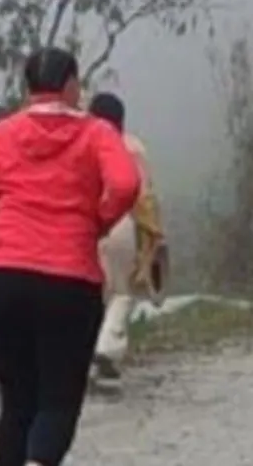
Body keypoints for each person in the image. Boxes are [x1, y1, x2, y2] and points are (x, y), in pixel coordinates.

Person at [0, 48, 142, 466]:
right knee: (57, 400)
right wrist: (98, 220)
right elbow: (126, 182)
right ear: (71, 85)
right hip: (69, 279)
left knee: (17, 401)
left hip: (6, 279)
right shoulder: (97, 133)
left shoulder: (5, 132)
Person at [87, 92, 168, 383]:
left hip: (87, 224)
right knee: (123, 291)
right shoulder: (133, 148)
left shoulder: (82, 143)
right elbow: (145, 194)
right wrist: (155, 234)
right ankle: (107, 348)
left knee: (94, 291)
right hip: (124, 223)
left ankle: (83, 351)